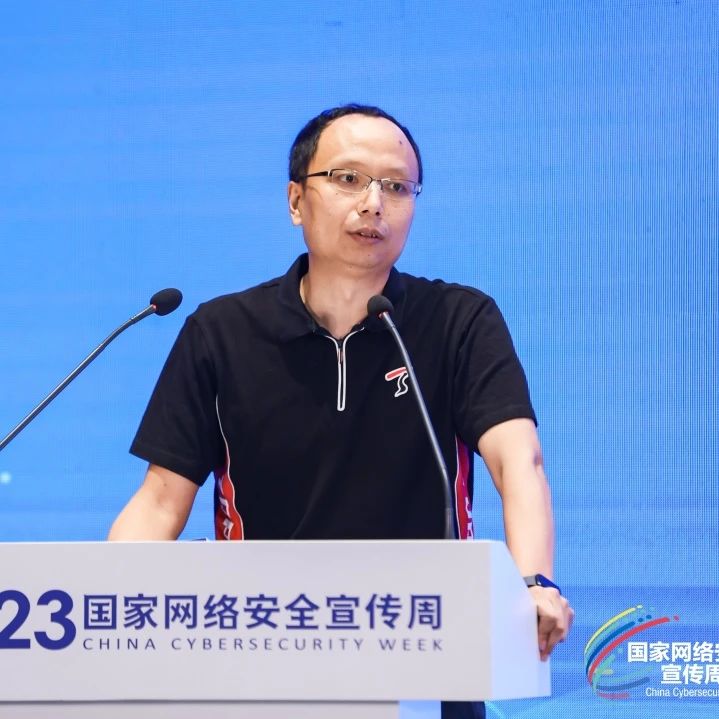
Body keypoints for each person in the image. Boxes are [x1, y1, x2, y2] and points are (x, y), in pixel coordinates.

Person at [109, 104, 574, 718]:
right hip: (261, 651)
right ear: (296, 201)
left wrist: (534, 582)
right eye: (348, 179)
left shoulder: (459, 320)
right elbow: (160, 501)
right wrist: (105, 608)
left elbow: (520, 463)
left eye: (397, 187)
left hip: (425, 648)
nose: (374, 203)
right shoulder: (222, 332)